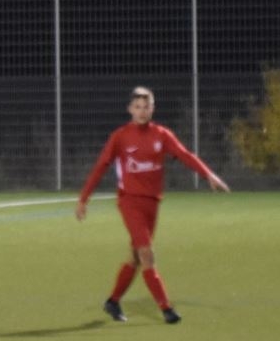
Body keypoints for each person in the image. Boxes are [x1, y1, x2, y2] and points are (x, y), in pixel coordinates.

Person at [76, 86, 230, 324]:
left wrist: (208, 174)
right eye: (137, 107)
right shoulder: (120, 136)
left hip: (152, 203)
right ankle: (167, 309)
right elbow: (100, 167)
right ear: (130, 109)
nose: (142, 111)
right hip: (129, 202)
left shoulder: (161, 135)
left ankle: (113, 301)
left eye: (146, 106)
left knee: (136, 257)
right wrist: (83, 199)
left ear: (153, 108)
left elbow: (185, 154)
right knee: (147, 254)